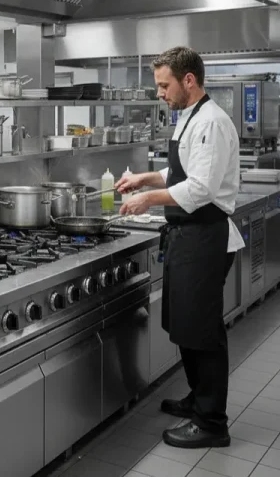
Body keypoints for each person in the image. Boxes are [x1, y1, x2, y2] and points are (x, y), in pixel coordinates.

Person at [116, 46, 244, 449]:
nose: (159, 93)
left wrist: (148, 200)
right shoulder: (189, 117)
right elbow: (181, 170)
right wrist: (144, 178)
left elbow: (200, 188)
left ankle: (212, 422)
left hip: (205, 237)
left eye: (163, 85)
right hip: (186, 237)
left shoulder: (212, 121)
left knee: (203, 331)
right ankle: (197, 398)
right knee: (185, 325)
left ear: (189, 80)